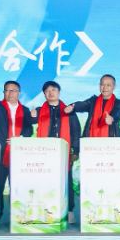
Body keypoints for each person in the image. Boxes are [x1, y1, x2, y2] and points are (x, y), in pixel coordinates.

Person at [31, 81, 81, 223]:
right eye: (47, 91)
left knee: (67, 181)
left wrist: (75, 150)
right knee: (46, 180)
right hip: (45, 152)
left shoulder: (69, 110)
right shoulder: (40, 110)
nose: (50, 92)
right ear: (44, 94)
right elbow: (30, 123)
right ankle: (47, 209)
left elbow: (76, 131)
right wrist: (33, 116)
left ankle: (69, 210)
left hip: (64, 151)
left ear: (59, 92)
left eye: (53, 89)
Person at [0, 80, 35, 217]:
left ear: (18, 93)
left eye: (12, 90)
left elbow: (29, 130)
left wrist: (20, 139)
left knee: (17, 185)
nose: (9, 93)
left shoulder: (25, 110)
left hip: (18, 153)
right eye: (6, 90)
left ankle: (17, 214)